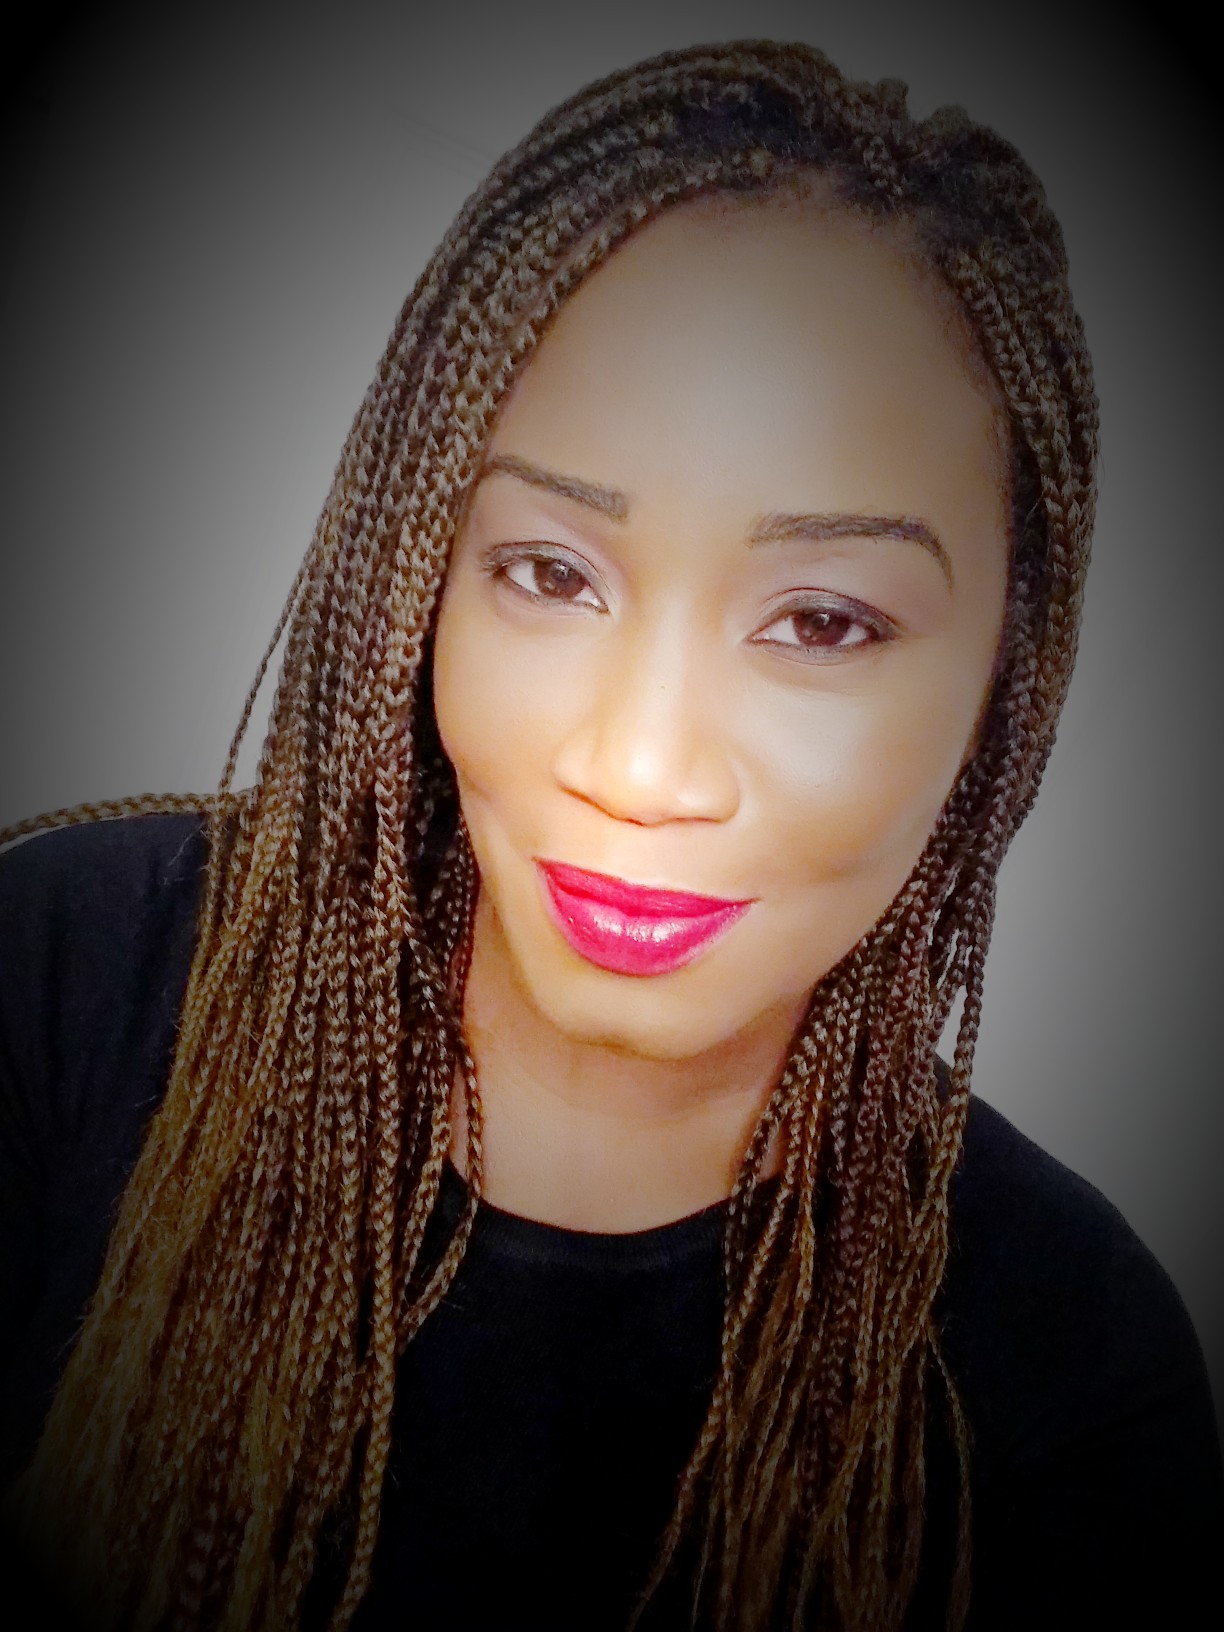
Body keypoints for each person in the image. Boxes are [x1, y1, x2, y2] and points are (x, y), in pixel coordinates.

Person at [0, 36, 1219, 1632]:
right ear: (423, 574)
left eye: (824, 620)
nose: (641, 768)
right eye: (552, 573)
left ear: (1004, 678)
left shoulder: (1069, 1375)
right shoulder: (61, 990)